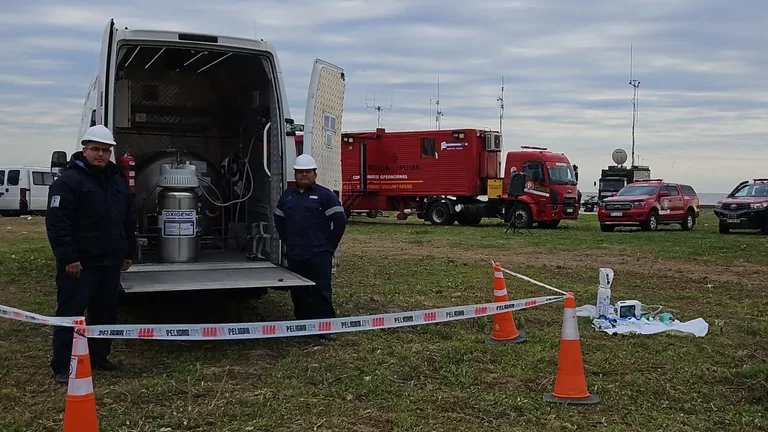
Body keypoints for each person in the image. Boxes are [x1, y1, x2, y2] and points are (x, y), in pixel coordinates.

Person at [46, 125, 138, 384]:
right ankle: (62, 365)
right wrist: (69, 258)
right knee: (71, 314)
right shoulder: (69, 182)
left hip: (110, 262)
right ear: (84, 150)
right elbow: (58, 223)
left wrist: (128, 251)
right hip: (81, 264)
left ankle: (99, 356)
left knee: (105, 313)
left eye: (105, 150)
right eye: (95, 149)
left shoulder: (117, 181)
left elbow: (127, 220)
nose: (100, 154)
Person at [274, 154, 347, 338]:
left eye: (308, 171)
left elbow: (340, 220)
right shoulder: (287, 196)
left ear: (315, 174)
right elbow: (278, 218)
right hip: (296, 253)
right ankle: (302, 324)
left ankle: (324, 327)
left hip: (319, 253)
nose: (304, 175)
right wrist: (287, 241)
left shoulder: (325, 195)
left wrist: (329, 246)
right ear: (295, 175)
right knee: (298, 290)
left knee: (321, 289)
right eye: (300, 172)